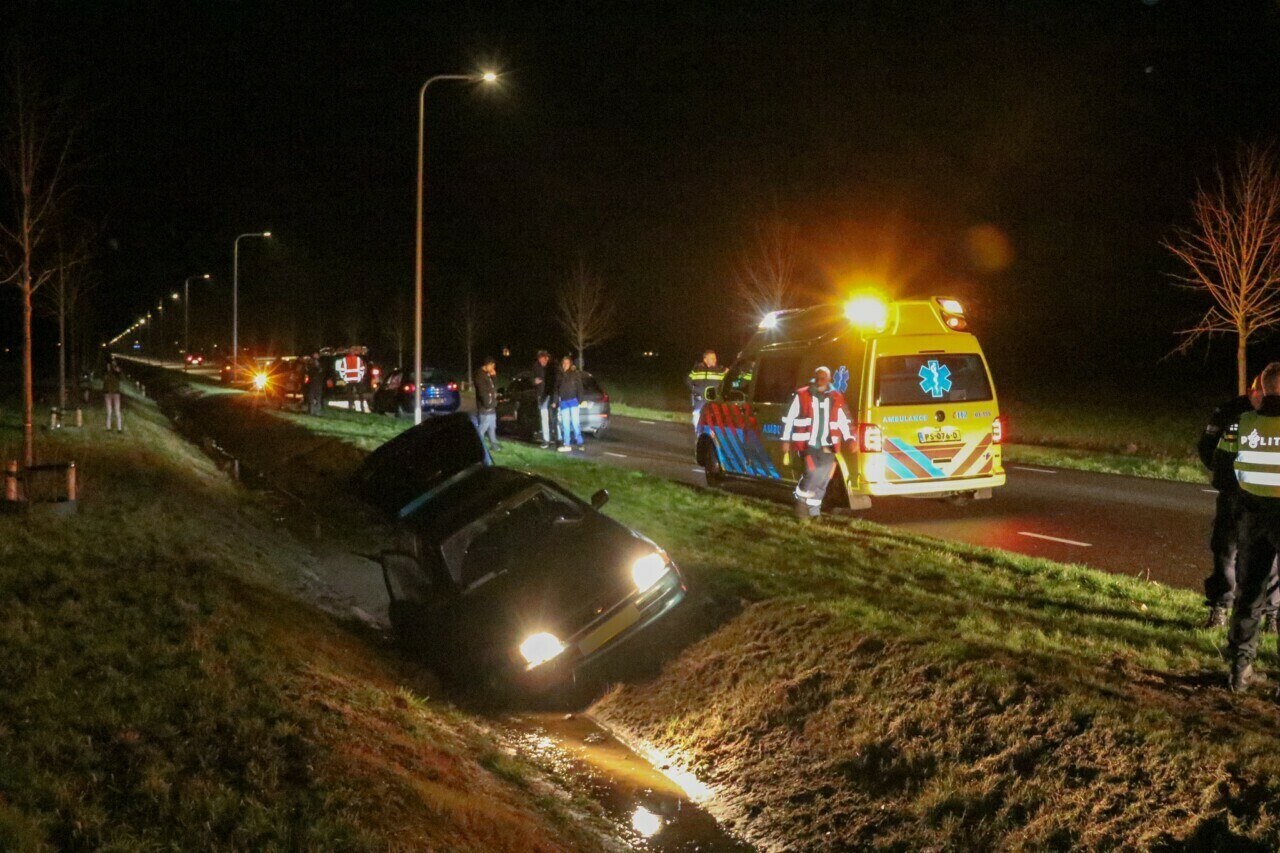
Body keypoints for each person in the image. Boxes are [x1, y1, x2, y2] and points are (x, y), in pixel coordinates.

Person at [1227, 362, 1280, 692]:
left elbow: (1222, 470)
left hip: (1252, 517)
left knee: (1249, 596)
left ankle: (1239, 672)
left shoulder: (1243, 422)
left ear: (1262, 388)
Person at [1199, 376, 1265, 627]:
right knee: (1225, 551)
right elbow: (1208, 446)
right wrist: (1225, 477)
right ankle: (1221, 606)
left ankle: (1270, 614)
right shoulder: (1230, 411)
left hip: (1268, 496)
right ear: (1253, 390)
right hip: (1234, 494)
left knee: (1268, 559)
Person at [782, 365, 854, 519]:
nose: (820, 381)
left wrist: (850, 438)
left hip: (828, 445)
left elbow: (844, 419)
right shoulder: (802, 395)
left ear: (829, 379)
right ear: (814, 378)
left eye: (823, 378)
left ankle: (814, 511)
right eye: (818, 378)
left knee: (824, 478)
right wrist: (786, 439)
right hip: (809, 444)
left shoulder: (836, 397)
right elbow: (789, 418)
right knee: (812, 473)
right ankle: (801, 505)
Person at [686, 350, 727, 428]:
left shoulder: (720, 370)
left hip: (714, 401)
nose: (715, 360)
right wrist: (695, 390)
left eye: (715, 358)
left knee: (713, 421)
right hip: (700, 400)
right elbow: (688, 381)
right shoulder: (697, 369)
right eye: (712, 358)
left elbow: (729, 379)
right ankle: (696, 434)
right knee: (697, 417)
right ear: (705, 360)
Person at [555, 355, 585, 452]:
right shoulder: (559, 375)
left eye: (567, 363)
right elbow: (556, 389)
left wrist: (579, 400)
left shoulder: (575, 374)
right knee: (565, 424)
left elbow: (580, 387)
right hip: (564, 402)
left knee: (575, 423)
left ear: (570, 363)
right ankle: (566, 443)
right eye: (564, 363)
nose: (565, 365)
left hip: (573, 401)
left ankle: (580, 442)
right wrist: (555, 401)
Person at [474, 356, 501, 452]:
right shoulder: (480, 376)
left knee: (492, 426)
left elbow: (494, 387)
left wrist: (494, 377)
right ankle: (476, 444)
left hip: (491, 406)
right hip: (485, 407)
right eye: (492, 366)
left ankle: (494, 444)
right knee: (483, 427)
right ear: (487, 365)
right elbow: (483, 392)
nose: (493, 368)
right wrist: (488, 404)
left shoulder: (488, 374)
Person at [532, 350, 554, 447]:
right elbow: (531, 377)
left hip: (552, 395)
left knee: (554, 417)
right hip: (542, 395)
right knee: (544, 417)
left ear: (547, 358)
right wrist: (534, 381)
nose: (541, 361)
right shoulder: (536, 366)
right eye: (539, 359)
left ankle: (557, 438)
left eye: (543, 359)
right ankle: (546, 439)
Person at [102, 362, 123, 432]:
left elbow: (122, 378)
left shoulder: (116, 374)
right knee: (109, 412)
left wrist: (119, 372)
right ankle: (109, 427)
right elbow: (105, 384)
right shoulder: (106, 374)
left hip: (115, 394)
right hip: (108, 394)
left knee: (117, 411)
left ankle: (119, 428)